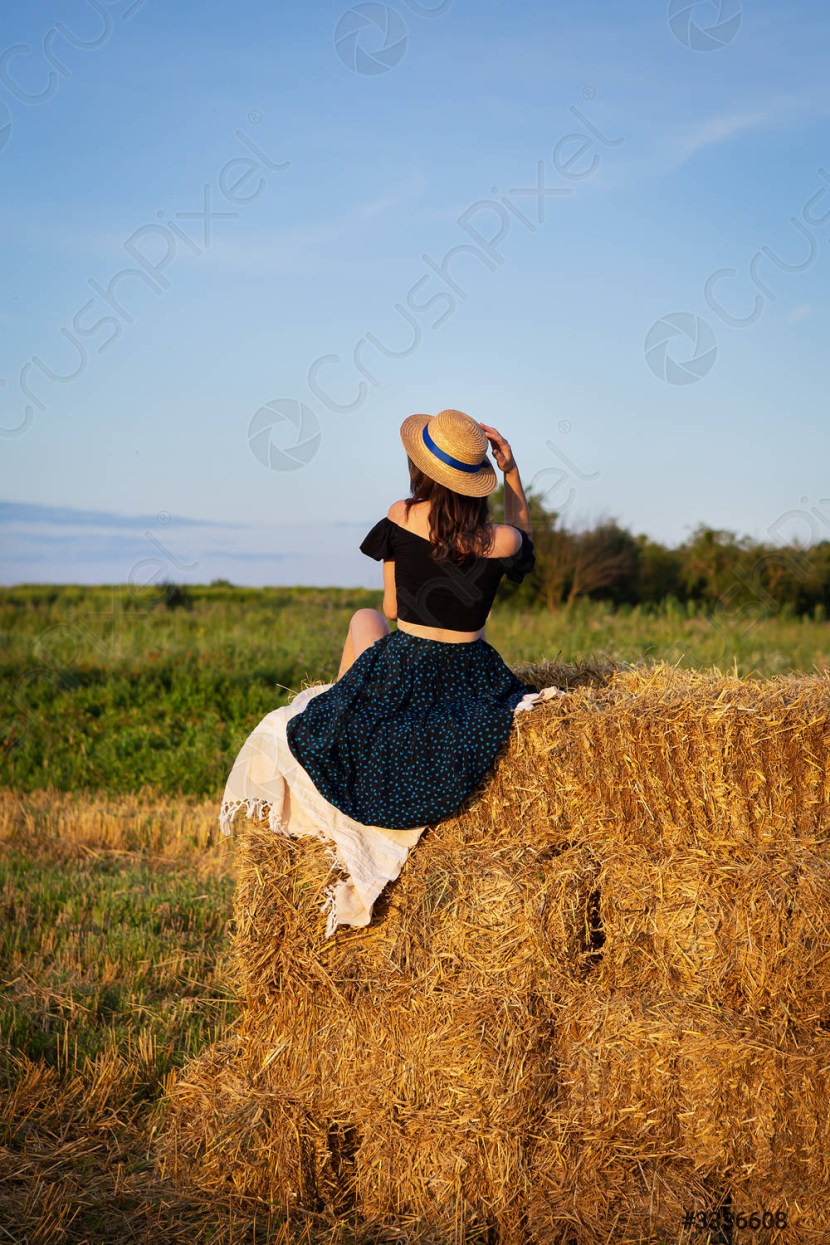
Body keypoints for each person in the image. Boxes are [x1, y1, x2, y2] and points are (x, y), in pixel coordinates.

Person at [285, 408, 538, 831]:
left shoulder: (401, 514)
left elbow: (391, 610)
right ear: (476, 480)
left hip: (407, 661)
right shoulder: (503, 539)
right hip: (471, 672)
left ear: (421, 470)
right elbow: (524, 542)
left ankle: (344, 708)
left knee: (365, 618)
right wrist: (511, 473)